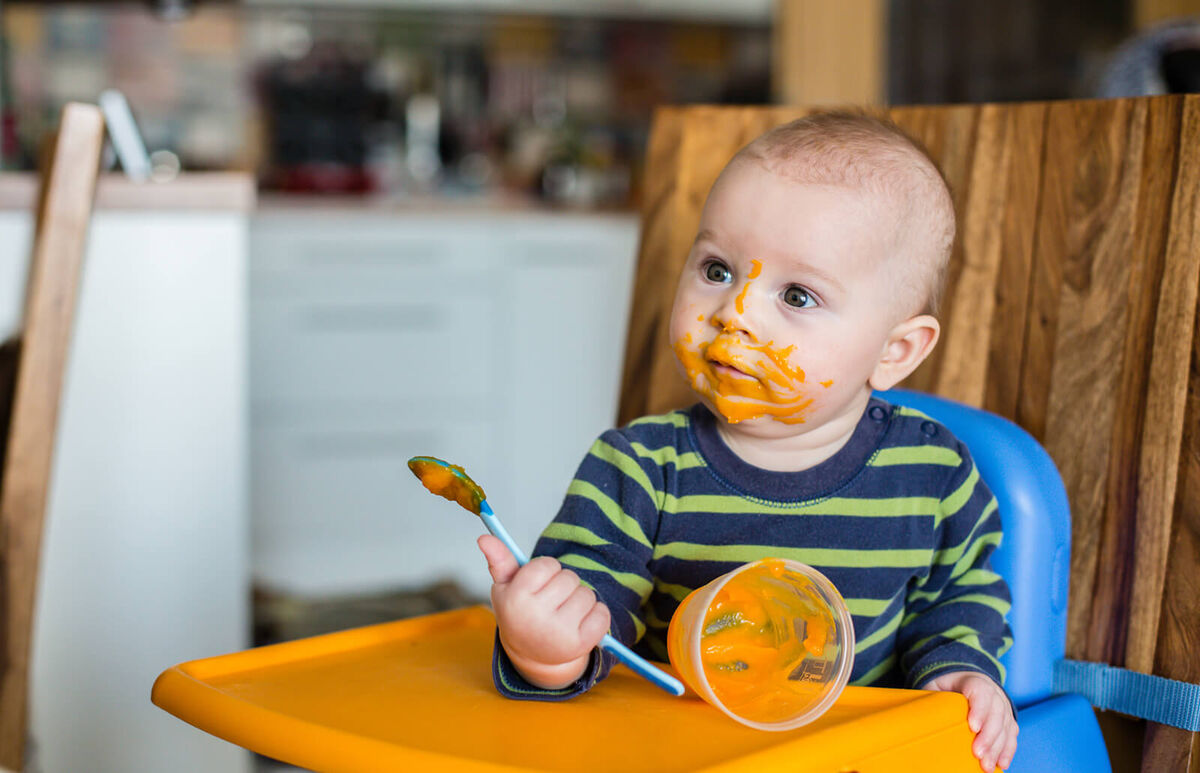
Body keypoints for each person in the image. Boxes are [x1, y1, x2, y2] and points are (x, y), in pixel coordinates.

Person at [478, 112, 1018, 772]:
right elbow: (589, 620)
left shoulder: (932, 474)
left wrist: (960, 672)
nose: (737, 312)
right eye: (716, 269)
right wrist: (547, 649)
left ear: (896, 349)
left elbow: (961, 596)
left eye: (797, 293)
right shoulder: (637, 469)